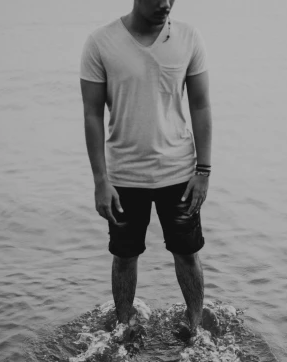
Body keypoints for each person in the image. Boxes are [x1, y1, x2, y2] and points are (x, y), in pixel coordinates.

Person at [80, 0, 216, 337]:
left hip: (179, 174)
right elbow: (92, 115)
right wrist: (100, 181)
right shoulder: (100, 42)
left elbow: (200, 105)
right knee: (124, 257)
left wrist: (204, 171)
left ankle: (195, 327)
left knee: (187, 254)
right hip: (124, 176)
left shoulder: (189, 37)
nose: (165, 4)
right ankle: (123, 329)